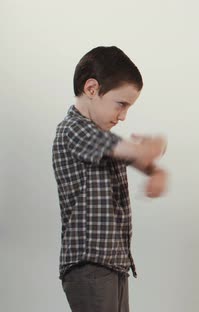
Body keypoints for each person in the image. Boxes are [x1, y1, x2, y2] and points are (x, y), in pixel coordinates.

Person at [52, 46, 168, 312]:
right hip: (90, 265)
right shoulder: (73, 130)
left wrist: (156, 171)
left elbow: (136, 157)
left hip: (113, 262)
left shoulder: (102, 138)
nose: (123, 115)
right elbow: (132, 151)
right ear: (92, 89)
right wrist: (154, 144)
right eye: (121, 104)